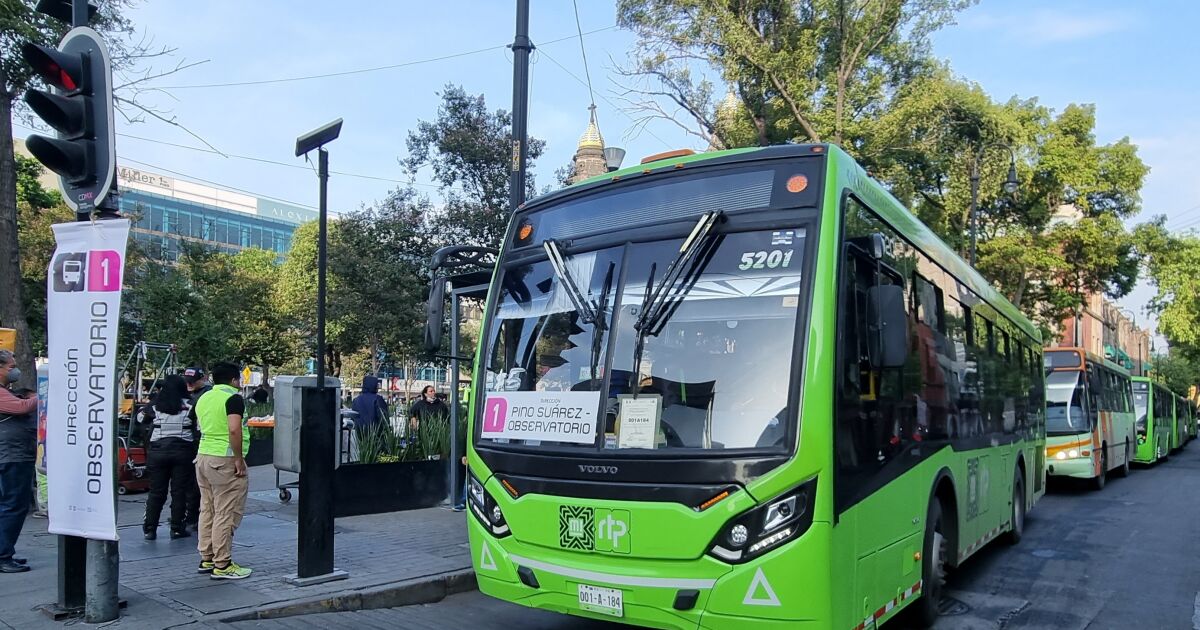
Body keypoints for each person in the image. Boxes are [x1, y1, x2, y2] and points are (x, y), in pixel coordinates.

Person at [193, 362, 252, 579]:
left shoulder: (205, 397)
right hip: (225, 459)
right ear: (235, 380)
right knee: (226, 511)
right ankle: (223, 563)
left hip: (203, 457)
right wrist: (238, 459)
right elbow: (234, 429)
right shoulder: (233, 398)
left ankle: (207, 557)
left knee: (208, 508)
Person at [140, 375, 197, 541]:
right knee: (179, 492)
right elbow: (197, 426)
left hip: (157, 451)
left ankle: (150, 529)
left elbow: (140, 420)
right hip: (183, 451)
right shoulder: (191, 404)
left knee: (156, 492)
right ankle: (177, 528)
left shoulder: (155, 405)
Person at [0, 350, 36, 573]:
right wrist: (40, 395)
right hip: (11, 455)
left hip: (12, 454)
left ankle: (5, 550)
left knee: (9, 505)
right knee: (13, 505)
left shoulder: (7, 391)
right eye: (10, 366)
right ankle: (3, 556)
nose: (14, 370)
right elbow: (20, 408)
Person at [181, 367, 210, 529]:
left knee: (196, 484)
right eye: (187, 382)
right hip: (187, 443)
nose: (189, 385)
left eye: (193, 382)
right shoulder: (186, 394)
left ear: (202, 379)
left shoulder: (206, 395)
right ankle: (187, 514)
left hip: (199, 443)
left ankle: (193, 516)